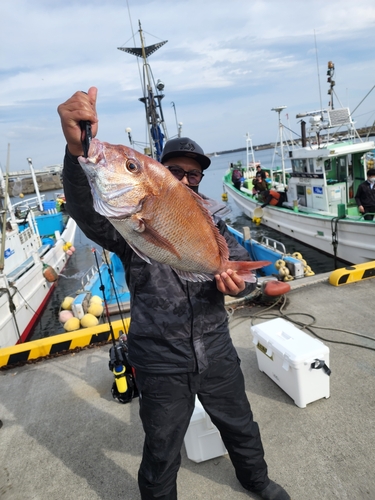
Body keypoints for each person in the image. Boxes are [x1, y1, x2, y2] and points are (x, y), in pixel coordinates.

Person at [57, 87, 290, 500]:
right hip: (158, 354)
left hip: (216, 346)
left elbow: (235, 269)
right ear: (158, 175)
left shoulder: (215, 225)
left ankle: (257, 480)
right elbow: (84, 209)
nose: (184, 179)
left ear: (200, 179)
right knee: (162, 447)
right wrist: (77, 152)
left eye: (193, 174)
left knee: (240, 424)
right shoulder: (126, 224)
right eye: (175, 171)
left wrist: (239, 285)